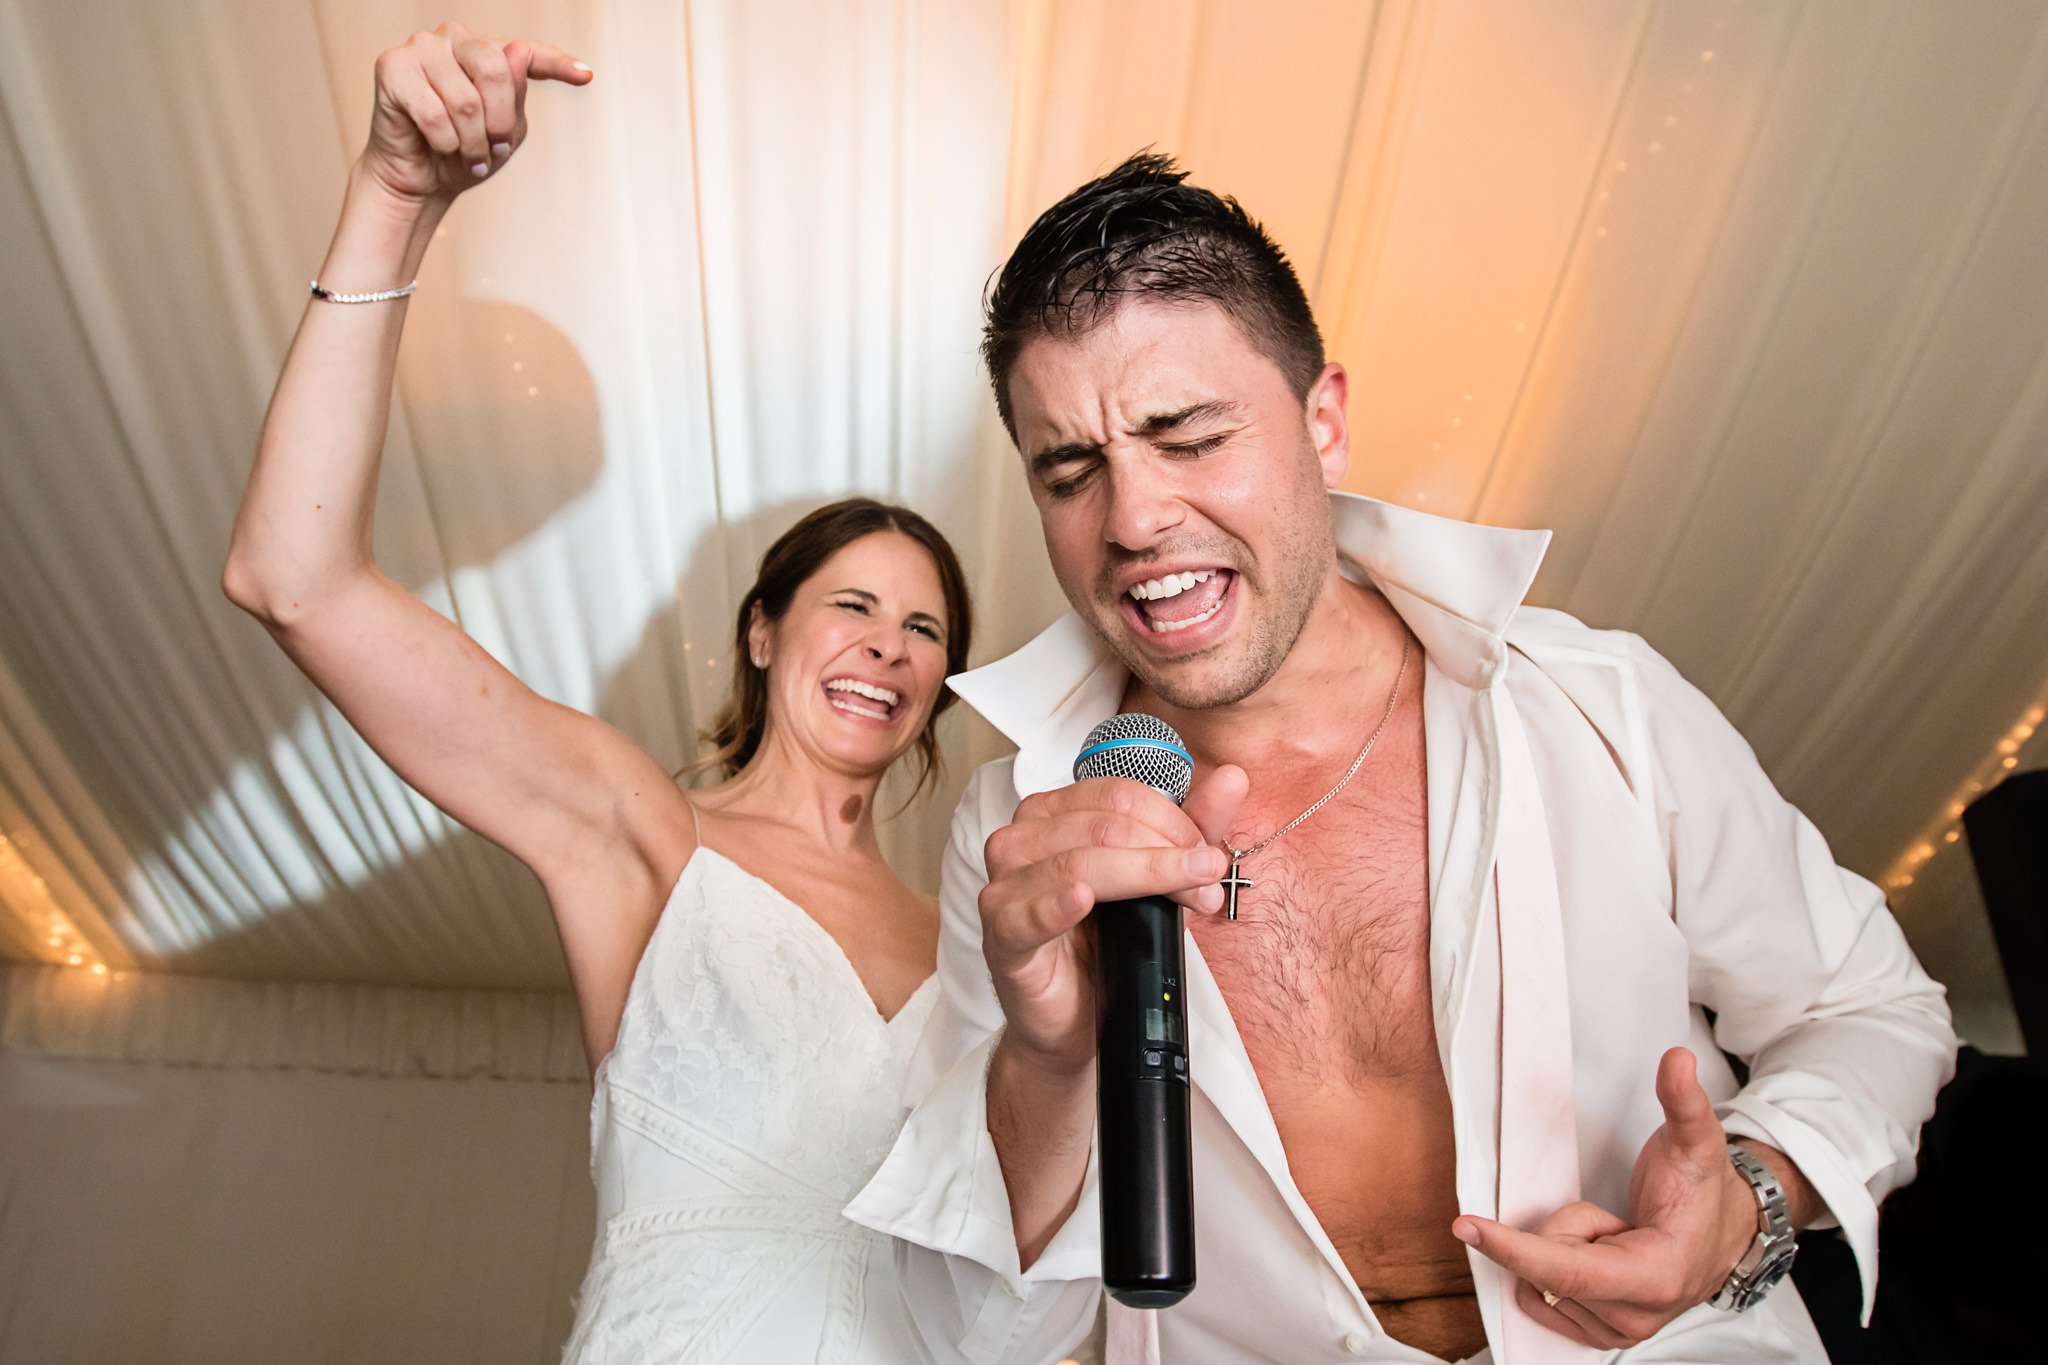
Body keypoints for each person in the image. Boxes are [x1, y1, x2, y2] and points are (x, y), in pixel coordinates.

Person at [844, 153, 1956, 1363]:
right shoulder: (1019, 833)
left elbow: (1869, 1009)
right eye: (1071, 470)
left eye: (1187, 435)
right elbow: (980, 1331)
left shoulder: (1592, 704)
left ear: (1321, 422)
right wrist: (1050, 1060)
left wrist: (1750, 1198)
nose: (1132, 519)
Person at [223, 24, 973, 1362]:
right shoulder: (643, 830)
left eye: (924, 628)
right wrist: (395, 201)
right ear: (762, 631)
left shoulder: (975, 936)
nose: (888, 647)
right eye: (851, 606)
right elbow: (296, 578)